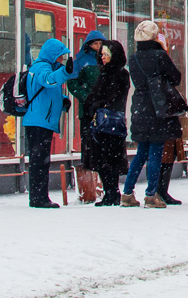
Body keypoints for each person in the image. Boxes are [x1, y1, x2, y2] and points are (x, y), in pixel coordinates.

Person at [121, 20, 182, 208]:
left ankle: (127, 193)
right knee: (156, 151)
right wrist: (163, 51)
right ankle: (151, 195)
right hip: (158, 107)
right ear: (155, 37)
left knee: (141, 152)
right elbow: (176, 78)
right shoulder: (159, 55)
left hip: (140, 106)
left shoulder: (134, 58)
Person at [23, 37, 76, 208]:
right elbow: (48, 80)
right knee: (40, 161)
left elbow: (47, 93)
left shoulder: (42, 67)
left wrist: (62, 100)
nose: (62, 60)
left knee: (40, 160)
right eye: (60, 56)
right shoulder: (41, 68)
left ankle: (38, 196)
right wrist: (64, 73)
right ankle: (39, 198)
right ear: (53, 55)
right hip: (39, 122)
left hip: (39, 121)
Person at [82, 40, 130, 207]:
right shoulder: (105, 73)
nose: (102, 57)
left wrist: (95, 105)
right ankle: (110, 193)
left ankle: (112, 193)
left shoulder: (118, 74)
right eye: (101, 54)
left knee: (109, 159)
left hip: (109, 123)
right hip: (105, 123)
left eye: (106, 54)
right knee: (105, 159)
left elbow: (112, 98)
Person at [69, 28, 108, 203]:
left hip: (104, 111)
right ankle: (89, 186)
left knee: (103, 146)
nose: (97, 46)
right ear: (88, 45)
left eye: (100, 43)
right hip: (88, 111)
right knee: (88, 145)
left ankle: (100, 184)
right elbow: (73, 83)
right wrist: (87, 98)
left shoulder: (106, 60)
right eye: (95, 43)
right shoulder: (81, 61)